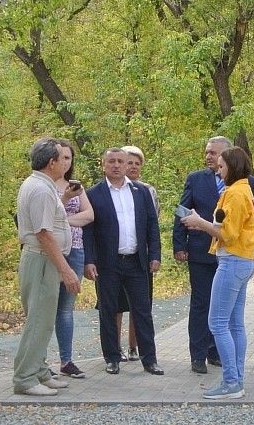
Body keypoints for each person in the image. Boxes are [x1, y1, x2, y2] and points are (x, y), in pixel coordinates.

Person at [173, 136, 254, 374]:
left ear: (228, 157)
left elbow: (249, 223)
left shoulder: (241, 187)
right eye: (207, 152)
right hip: (204, 253)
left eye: (215, 154)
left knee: (223, 319)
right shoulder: (196, 179)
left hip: (232, 255)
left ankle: (226, 365)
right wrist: (180, 243)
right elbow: (183, 211)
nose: (209, 157)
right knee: (205, 306)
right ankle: (201, 356)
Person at [83, 148, 163, 376]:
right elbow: (88, 231)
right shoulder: (94, 194)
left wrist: (155, 254)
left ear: (127, 164)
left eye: (121, 161)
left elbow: (152, 225)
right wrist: (89, 260)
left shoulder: (141, 192)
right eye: (112, 161)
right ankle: (112, 358)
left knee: (143, 311)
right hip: (107, 263)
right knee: (108, 310)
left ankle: (149, 359)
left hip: (137, 261)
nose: (117, 165)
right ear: (103, 165)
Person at [13, 138, 80, 396]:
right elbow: (43, 233)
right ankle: (25, 378)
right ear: (51, 162)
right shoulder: (40, 189)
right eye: (62, 158)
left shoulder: (43, 185)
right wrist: (65, 269)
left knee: (45, 320)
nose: (66, 163)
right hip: (41, 260)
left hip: (43, 260)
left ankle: (39, 371)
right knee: (38, 320)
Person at [113, 145, 160, 362]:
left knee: (140, 306)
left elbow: (152, 223)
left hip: (140, 257)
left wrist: (154, 254)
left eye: (136, 163)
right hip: (115, 258)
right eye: (128, 162)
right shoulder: (107, 190)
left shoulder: (146, 191)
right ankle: (115, 349)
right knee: (116, 305)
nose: (132, 167)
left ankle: (135, 347)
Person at [54, 139, 94, 379]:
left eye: (69, 158)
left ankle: (66, 360)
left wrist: (65, 221)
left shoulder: (76, 186)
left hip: (76, 249)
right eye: (61, 157)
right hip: (52, 250)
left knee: (66, 308)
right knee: (47, 306)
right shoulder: (44, 186)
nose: (65, 162)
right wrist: (67, 201)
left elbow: (89, 215)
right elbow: (47, 215)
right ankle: (38, 362)